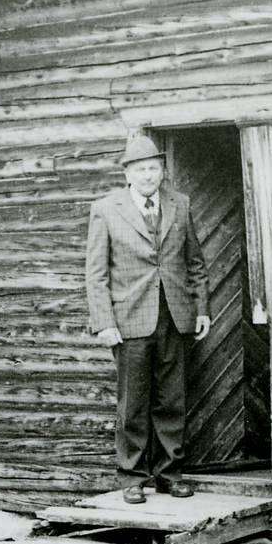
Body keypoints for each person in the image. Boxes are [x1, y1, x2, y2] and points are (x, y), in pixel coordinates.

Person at [85, 135, 210, 504]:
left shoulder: (179, 204)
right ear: (128, 173)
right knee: (133, 404)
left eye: (154, 168)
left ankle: (169, 475)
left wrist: (201, 309)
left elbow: (195, 265)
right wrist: (104, 322)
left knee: (172, 401)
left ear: (162, 170)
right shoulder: (106, 209)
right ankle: (132, 478)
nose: (148, 175)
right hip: (128, 321)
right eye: (140, 169)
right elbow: (96, 274)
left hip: (174, 317)